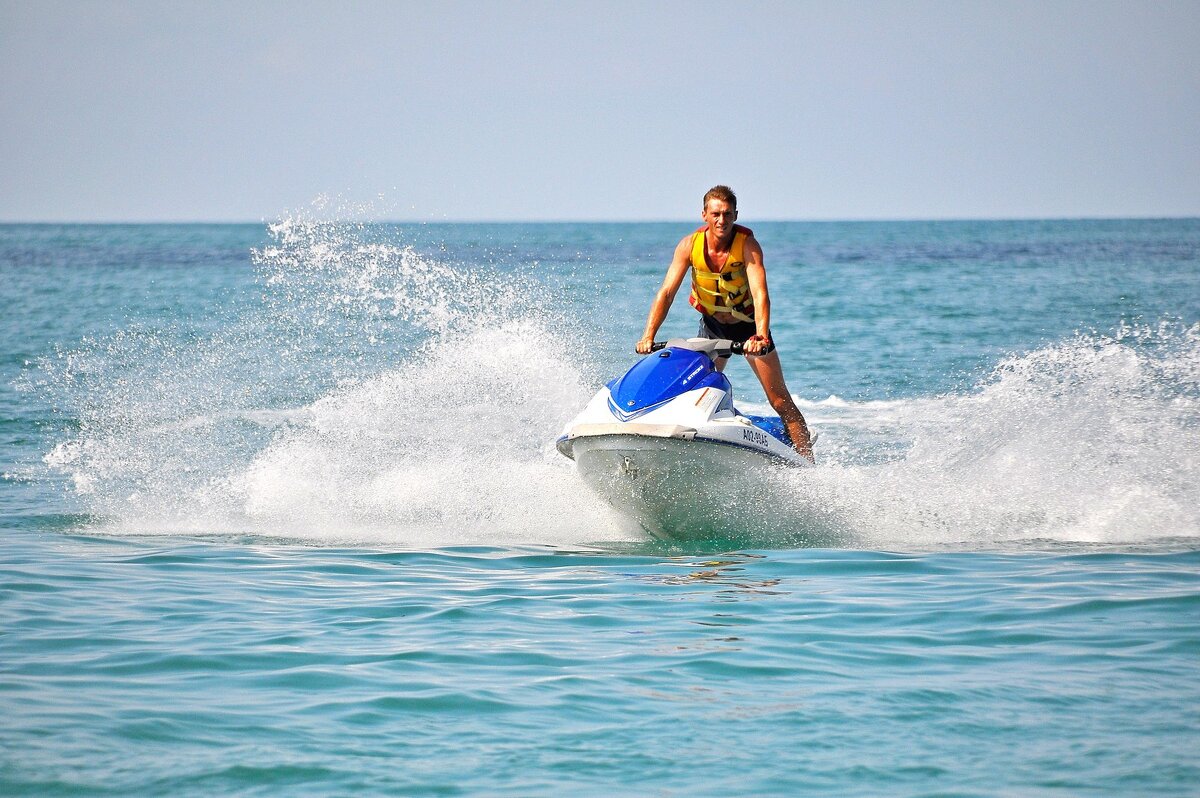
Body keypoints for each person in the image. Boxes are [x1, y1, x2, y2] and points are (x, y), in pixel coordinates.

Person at [636, 185, 814, 462]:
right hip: (711, 328)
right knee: (696, 394)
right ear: (704, 214)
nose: (722, 220)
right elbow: (667, 292)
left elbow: (760, 294)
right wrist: (648, 335)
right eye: (716, 214)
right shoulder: (689, 246)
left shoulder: (748, 246)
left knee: (779, 399)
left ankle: (807, 462)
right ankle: (695, 453)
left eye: (728, 214)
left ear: (735, 215)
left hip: (748, 330)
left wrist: (761, 336)